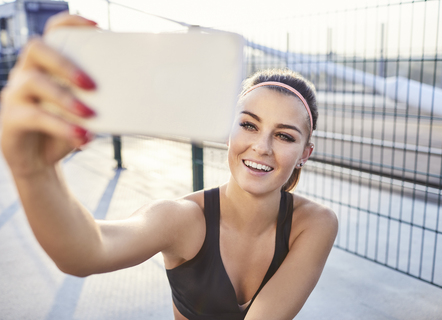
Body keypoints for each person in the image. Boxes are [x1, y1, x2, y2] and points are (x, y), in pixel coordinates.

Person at [0, 13, 338, 320]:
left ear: (305, 152)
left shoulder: (315, 225)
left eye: (284, 136)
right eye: (249, 125)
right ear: (228, 131)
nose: (261, 147)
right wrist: (33, 170)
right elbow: (88, 251)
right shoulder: (182, 219)